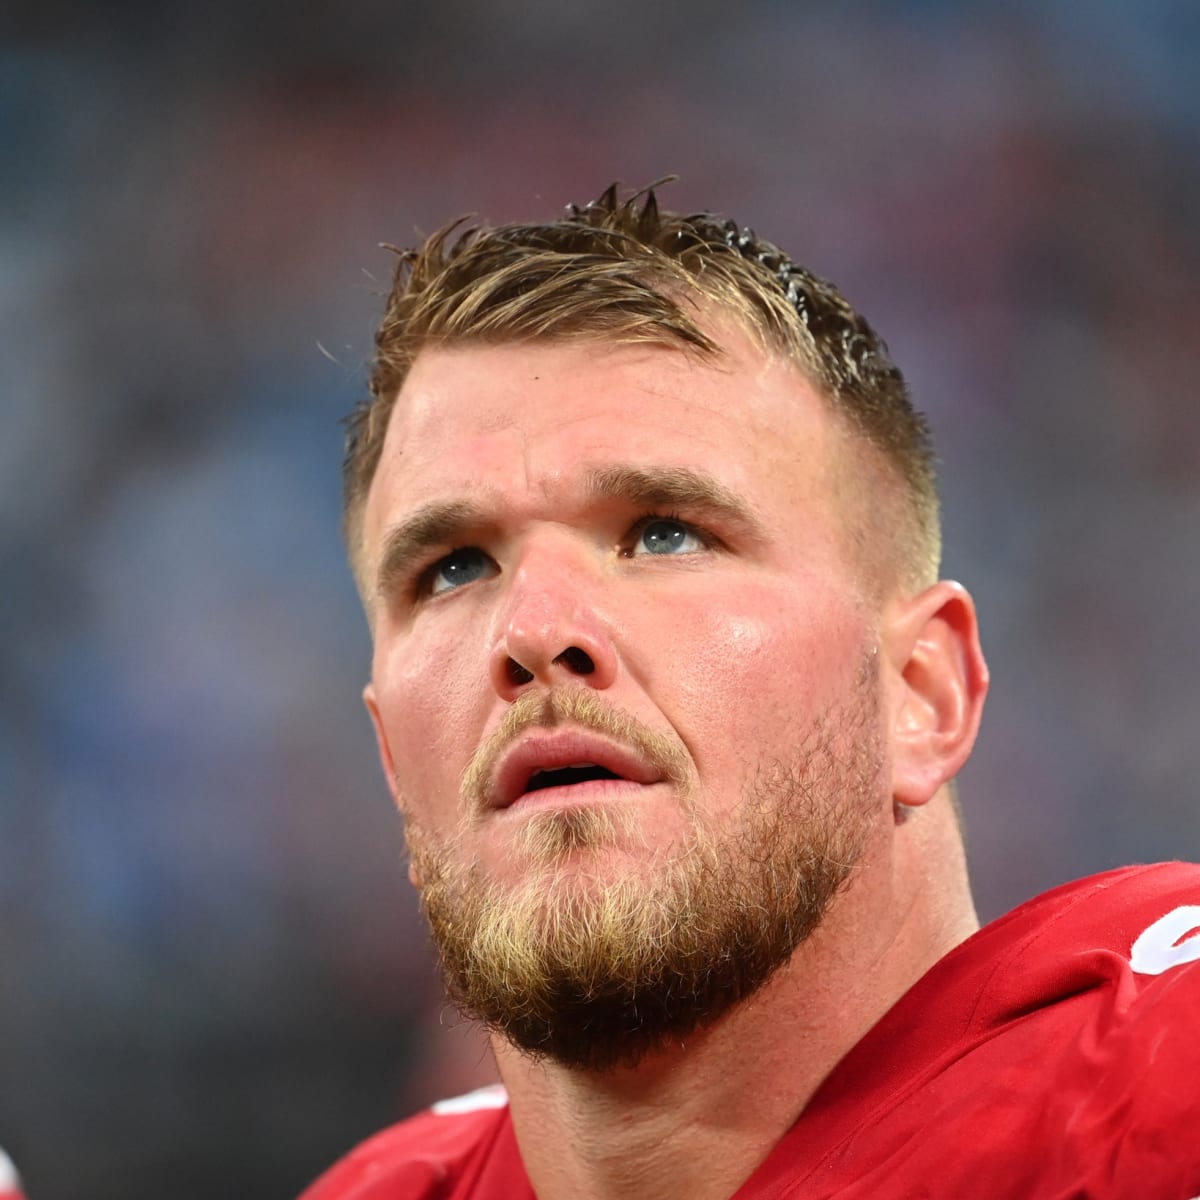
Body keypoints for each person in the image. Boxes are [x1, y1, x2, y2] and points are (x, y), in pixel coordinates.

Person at [301, 185, 1200, 1199]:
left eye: (665, 533)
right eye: (455, 567)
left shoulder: (1162, 1071)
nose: (536, 633)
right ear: (391, 761)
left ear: (922, 692)